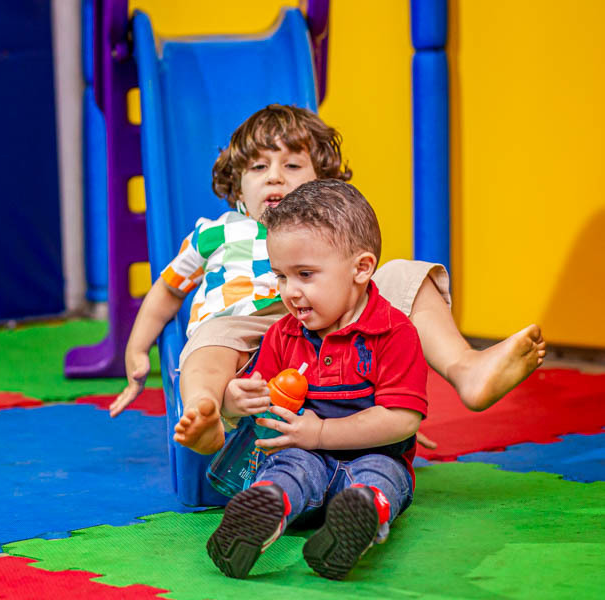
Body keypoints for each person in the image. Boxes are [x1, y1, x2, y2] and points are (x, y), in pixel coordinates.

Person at [109, 105, 545, 456]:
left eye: (292, 165)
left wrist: (385, 409)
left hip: (325, 329)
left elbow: (361, 290)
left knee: (401, 274)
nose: (275, 175)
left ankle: (465, 368)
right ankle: (207, 410)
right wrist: (135, 348)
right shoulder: (214, 231)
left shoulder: (328, 231)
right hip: (246, 333)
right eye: (259, 167)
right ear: (238, 190)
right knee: (209, 337)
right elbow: (167, 290)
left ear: (321, 184)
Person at [207, 179, 425, 581]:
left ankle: (360, 515)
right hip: (302, 455)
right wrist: (237, 400)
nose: (290, 292)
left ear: (361, 269)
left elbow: (402, 419)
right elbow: (262, 405)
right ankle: (268, 509)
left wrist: (321, 432)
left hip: (375, 454)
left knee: (382, 476)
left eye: (305, 274)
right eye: (281, 276)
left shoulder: (394, 333)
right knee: (289, 466)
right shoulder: (283, 334)